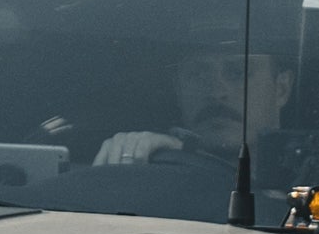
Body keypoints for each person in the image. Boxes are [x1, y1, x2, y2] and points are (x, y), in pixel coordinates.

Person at [96, 46, 287, 166]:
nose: (216, 93)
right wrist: (129, 155)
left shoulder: (309, 180)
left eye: (238, 73)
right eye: (198, 75)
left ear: (281, 89)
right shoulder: (148, 167)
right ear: (177, 89)